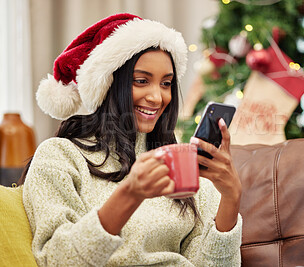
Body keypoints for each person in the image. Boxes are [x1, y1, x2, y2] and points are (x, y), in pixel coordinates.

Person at [21, 13, 242, 266]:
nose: (157, 98)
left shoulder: (185, 167)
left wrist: (231, 198)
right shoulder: (60, 156)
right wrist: (130, 194)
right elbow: (58, 260)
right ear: (108, 83)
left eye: (166, 83)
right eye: (141, 81)